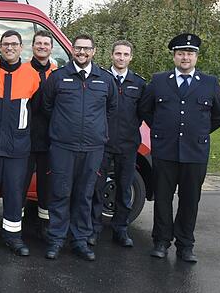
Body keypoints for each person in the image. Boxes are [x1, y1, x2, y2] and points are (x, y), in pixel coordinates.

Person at [140, 33, 220, 263]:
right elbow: (145, 109)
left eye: (190, 53)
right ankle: (161, 242)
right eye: (181, 53)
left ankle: (185, 245)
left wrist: (200, 132)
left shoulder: (209, 83)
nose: (185, 57)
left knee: (190, 200)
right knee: (162, 199)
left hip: (195, 152)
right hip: (165, 151)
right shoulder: (159, 80)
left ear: (196, 57)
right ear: (174, 56)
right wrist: (159, 130)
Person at [40, 34, 117, 261]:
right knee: (60, 193)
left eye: (86, 49)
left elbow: (111, 108)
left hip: (93, 148)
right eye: (78, 48)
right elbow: (47, 106)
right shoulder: (58, 77)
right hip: (63, 147)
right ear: (72, 50)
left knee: (85, 195)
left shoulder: (105, 79)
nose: (82, 52)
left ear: (94, 51)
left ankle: (80, 241)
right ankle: (56, 240)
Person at [0, 30, 41, 256]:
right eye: (5, 44)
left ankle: (14, 238)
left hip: (18, 147)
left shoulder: (32, 76)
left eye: (14, 44)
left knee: (14, 193)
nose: (9, 48)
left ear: (22, 47)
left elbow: (37, 111)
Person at [89, 40, 146, 248]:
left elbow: (143, 114)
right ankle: (93, 229)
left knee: (124, 189)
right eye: (118, 54)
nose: (121, 58)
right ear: (111, 55)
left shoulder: (139, 84)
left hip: (128, 146)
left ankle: (120, 230)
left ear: (131, 57)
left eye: (125, 54)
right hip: (102, 144)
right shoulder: (101, 79)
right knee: (97, 188)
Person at [24, 30, 57, 238]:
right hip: (25, 138)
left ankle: (45, 229)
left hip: (49, 140)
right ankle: (16, 227)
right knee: (20, 184)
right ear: (32, 46)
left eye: (46, 43)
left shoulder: (57, 73)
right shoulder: (23, 70)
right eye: (38, 43)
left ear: (51, 48)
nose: (42, 46)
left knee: (46, 188)